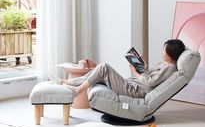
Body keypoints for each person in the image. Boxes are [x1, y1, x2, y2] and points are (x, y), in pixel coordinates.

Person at [51, 39, 185, 98]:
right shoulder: (164, 64)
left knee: (104, 67)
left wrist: (135, 72)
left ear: (171, 54)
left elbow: (149, 83)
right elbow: (150, 76)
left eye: (164, 51)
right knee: (99, 73)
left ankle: (77, 89)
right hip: (134, 84)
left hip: (135, 90)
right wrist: (142, 65)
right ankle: (66, 82)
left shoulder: (170, 69)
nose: (162, 52)